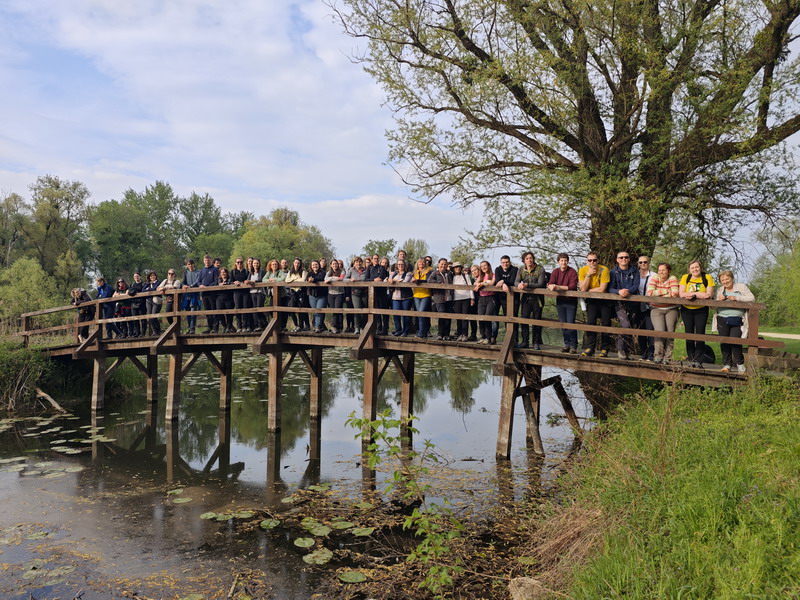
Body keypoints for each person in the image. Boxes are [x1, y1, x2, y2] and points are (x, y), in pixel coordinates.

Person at [713, 270, 754, 373]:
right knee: (724, 341)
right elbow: (712, 306)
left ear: (732, 278)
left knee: (735, 341)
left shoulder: (741, 287)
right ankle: (727, 364)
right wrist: (719, 300)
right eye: (722, 280)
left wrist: (737, 298)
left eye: (727, 279)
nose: (725, 281)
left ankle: (740, 364)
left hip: (737, 319)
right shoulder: (719, 290)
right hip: (722, 318)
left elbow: (752, 298)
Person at [679, 260, 715, 368]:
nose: (695, 269)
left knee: (700, 333)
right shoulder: (685, 277)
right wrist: (699, 294)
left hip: (701, 310)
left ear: (700, 267)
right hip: (686, 309)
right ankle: (691, 358)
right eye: (692, 268)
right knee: (689, 333)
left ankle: (698, 358)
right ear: (689, 270)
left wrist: (693, 294)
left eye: (697, 267)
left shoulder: (707, 277)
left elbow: (708, 295)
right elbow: (681, 294)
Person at [579, 252, 612, 357]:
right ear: (587, 261)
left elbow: (602, 289)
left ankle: (605, 348)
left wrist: (588, 290)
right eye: (590, 260)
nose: (592, 262)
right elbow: (582, 289)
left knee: (605, 323)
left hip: (604, 300)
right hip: (591, 300)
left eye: (594, 260)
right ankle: (590, 348)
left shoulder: (604, 269)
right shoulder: (583, 270)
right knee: (591, 323)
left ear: (598, 260)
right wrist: (588, 275)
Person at [646, 262, 680, 364]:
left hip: (671, 309)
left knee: (670, 332)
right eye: (659, 270)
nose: (661, 272)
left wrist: (658, 295)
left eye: (663, 270)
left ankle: (667, 357)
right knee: (659, 332)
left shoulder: (672, 278)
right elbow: (650, 293)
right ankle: (658, 355)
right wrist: (666, 292)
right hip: (656, 309)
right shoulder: (655, 278)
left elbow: (675, 293)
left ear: (668, 271)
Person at [608, 251, 640, 359]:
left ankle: (627, 351)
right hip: (619, 303)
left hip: (632, 302)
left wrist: (627, 291)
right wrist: (619, 291)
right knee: (625, 325)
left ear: (629, 259)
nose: (623, 259)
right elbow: (610, 288)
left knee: (631, 326)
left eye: (626, 257)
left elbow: (636, 285)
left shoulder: (635, 271)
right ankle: (620, 349)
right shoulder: (613, 272)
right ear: (617, 260)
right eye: (621, 257)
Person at [515, 251, 547, 349]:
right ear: (524, 260)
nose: (529, 260)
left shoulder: (540, 269)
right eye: (527, 258)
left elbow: (541, 284)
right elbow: (516, 281)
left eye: (531, 258)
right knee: (524, 319)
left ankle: (536, 342)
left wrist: (527, 285)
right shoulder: (521, 269)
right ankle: (525, 341)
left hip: (538, 299)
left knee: (537, 321)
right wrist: (519, 284)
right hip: (526, 299)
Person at [547, 253, 579, 353]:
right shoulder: (555, 271)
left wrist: (559, 287)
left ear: (567, 261)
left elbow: (572, 286)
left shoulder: (572, 271)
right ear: (558, 262)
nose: (563, 262)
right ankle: (567, 344)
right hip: (560, 301)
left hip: (571, 301)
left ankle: (573, 345)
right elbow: (550, 283)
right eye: (561, 260)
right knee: (563, 323)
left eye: (565, 260)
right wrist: (551, 286)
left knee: (570, 323)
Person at [634, 256, 656, 361]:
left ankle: (651, 353)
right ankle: (644, 353)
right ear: (638, 264)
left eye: (645, 262)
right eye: (641, 262)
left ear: (649, 262)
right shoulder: (634, 275)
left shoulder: (654, 276)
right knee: (641, 330)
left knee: (650, 330)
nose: (643, 264)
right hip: (638, 306)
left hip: (650, 306)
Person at [428, 257, 454, 340]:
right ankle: (440, 334)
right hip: (439, 298)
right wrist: (438, 283)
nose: (443, 266)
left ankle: (447, 334)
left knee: (448, 316)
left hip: (449, 297)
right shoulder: (435, 273)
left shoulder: (449, 273)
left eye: (445, 264)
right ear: (438, 264)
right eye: (442, 264)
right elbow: (429, 281)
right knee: (441, 316)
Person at [494, 255, 519, 340]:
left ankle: (515, 339)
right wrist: (503, 283)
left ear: (510, 262)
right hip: (502, 297)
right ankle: (507, 338)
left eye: (507, 262)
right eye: (503, 262)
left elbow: (513, 281)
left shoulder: (514, 269)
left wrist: (503, 281)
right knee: (505, 317)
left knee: (514, 318)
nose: (505, 264)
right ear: (501, 263)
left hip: (513, 297)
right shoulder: (498, 269)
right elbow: (497, 281)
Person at [474, 260, 498, 344]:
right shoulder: (481, 276)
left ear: (488, 266)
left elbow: (491, 283)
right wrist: (480, 283)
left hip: (490, 298)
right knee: (481, 317)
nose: (483, 267)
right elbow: (475, 283)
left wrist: (482, 284)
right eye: (482, 266)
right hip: (482, 298)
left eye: (485, 265)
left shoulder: (493, 275)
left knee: (487, 317)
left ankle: (488, 337)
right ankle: (483, 336)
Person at [365, 253, 389, 335]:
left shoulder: (381, 267)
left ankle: (385, 329)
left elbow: (381, 277)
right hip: (373, 292)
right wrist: (373, 279)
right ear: (372, 260)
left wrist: (376, 279)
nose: (376, 260)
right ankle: (378, 328)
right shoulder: (369, 268)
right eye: (374, 258)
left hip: (382, 292)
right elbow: (366, 279)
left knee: (384, 310)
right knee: (376, 311)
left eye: (377, 258)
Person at [195, 255, 220, 334]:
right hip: (204, 293)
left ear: (211, 261)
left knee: (213, 310)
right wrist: (200, 285)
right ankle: (210, 327)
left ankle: (215, 328)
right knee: (207, 310)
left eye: (208, 260)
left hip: (212, 293)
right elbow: (198, 281)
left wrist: (208, 287)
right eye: (205, 260)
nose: (207, 262)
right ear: (203, 261)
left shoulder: (214, 269)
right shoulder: (202, 270)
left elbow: (216, 281)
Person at [389, 259, 413, 336]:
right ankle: (398, 330)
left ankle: (405, 331)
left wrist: (394, 280)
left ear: (404, 265)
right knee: (396, 314)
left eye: (402, 264)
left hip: (406, 297)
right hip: (395, 297)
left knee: (405, 315)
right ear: (396, 265)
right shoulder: (394, 273)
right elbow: (388, 280)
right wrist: (393, 280)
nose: (400, 266)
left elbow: (405, 282)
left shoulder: (408, 274)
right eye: (399, 264)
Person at [286, 258, 310, 332]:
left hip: (301, 292)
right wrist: (295, 280)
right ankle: (296, 325)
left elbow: (303, 280)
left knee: (301, 309)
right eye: (295, 263)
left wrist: (293, 281)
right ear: (293, 263)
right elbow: (286, 280)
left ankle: (301, 326)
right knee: (291, 309)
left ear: (300, 264)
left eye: (298, 263)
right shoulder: (290, 272)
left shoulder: (303, 271)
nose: (297, 264)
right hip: (293, 292)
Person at [451, 262, 474, 342]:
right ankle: (459, 334)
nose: (457, 268)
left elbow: (470, 287)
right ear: (453, 269)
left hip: (466, 298)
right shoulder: (452, 277)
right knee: (458, 318)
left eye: (459, 267)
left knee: (465, 317)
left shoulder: (465, 276)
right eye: (456, 267)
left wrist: (472, 298)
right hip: (456, 299)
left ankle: (465, 335)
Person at [345, 256, 368, 333]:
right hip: (355, 292)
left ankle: (362, 327)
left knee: (364, 310)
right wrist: (350, 280)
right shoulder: (351, 270)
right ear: (354, 263)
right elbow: (344, 279)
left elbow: (369, 278)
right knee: (357, 310)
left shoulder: (365, 270)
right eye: (356, 262)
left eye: (359, 262)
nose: (358, 263)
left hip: (364, 292)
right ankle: (357, 327)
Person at [412, 257, 433, 338]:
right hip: (416, 294)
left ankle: (421, 332)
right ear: (417, 263)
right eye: (419, 262)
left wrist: (417, 281)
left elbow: (428, 281)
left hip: (425, 294)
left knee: (421, 312)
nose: (421, 263)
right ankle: (422, 332)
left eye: (423, 262)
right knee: (419, 314)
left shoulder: (429, 271)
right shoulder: (414, 272)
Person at [306, 259, 328, 333]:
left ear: (319, 265)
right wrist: (309, 279)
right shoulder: (309, 273)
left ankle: (318, 327)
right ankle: (317, 325)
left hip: (322, 295)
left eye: (316, 264)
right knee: (314, 311)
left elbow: (321, 278)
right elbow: (307, 279)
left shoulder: (323, 272)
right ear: (311, 266)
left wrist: (313, 279)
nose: (315, 266)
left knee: (319, 310)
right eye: (313, 265)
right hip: (312, 295)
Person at [231, 257, 252, 332]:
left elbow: (249, 279)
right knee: (238, 308)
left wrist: (247, 281)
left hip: (245, 292)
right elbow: (230, 281)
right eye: (238, 262)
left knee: (245, 308)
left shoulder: (246, 271)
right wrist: (234, 282)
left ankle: (245, 326)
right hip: (237, 292)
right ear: (235, 263)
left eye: (241, 262)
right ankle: (239, 326)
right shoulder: (233, 272)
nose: (239, 264)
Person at [265, 259, 287, 328]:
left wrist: (274, 280)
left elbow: (283, 278)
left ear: (278, 265)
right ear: (270, 266)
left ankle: (283, 326)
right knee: (271, 309)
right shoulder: (269, 273)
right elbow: (263, 280)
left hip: (282, 295)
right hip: (273, 295)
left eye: (276, 264)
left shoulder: (280, 271)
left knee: (282, 311)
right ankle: (276, 325)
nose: (274, 266)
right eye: (273, 264)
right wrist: (269, 280)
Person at [325, 259, 346, 333]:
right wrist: (334, 278)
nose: (335, 265)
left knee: (337, 309)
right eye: (333, 264)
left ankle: (334, 326)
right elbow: (325, 279)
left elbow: (341, 278)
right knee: (333, 310)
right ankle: (338, 327)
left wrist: (330, 279)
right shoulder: (328, 272)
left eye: (336, 264)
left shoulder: (342, 271)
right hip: (330, 293)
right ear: (331, 265)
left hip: (339, 293)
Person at [181, 259, 201, 334]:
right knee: (188, 311)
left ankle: (192, 328)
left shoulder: (198, 272)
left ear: (194, 264)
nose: (190, 265)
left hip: (195, 294)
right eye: (188, 264)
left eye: (191, 264)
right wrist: (184, 285)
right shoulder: (185, 272)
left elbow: (198, 281)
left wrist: (191, 286)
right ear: (187, 265)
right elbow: (183, 282)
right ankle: (189, 328)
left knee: (193, 311)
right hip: (187, 294)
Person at [248, 258, 267, 331]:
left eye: (257, 263)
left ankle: (264, 323)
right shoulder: (251, 272)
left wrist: (254, 281)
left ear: (259, 264)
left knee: (259, 308)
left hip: (260, 292)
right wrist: (247, 281)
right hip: (252, 292)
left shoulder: (261, 271)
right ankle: (261, 325)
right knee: (255, 309)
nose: (256, 265)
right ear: (252, 264)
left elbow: (261, 280)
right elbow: (248, 279)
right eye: (254, 263)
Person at [215, 267, 236, 333]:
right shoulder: (218, 280)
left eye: (224, 272)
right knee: (219, 312)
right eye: (221, 272)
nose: (223, 273)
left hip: (229, 298)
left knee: (229, 314)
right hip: (220, 298)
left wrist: (226, 284)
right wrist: (219, 285)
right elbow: (214, 286)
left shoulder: (230, 279)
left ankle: (228, 327)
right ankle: (224, 325)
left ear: (227, 273)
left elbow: (232, 284)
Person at [142, 271, 162, 335]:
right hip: (148, 301)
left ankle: (158, 330)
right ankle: (154, 331)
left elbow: (155, 289)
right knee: (150, 316)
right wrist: (149, 288)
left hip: (156, 301)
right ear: (149, 277)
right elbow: (143, 290)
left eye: (153, 275)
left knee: (154, 316)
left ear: (156, 276)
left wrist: (148, 289)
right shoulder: (147, 283)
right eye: (151, 276)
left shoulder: (158, 282)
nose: (152, 277)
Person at [128, 272, 145, 337]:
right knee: (135, 319)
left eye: (137, 276)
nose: (136, 277)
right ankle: (137, 332)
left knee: (143, 319)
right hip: (133, 303)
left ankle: (143, 333)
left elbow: (144, 292)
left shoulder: (143, 284)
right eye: (135, 276)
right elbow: (129, 292)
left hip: (142, 303)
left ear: (140, 276)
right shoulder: (132, 284)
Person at [467, 265, 480, 341]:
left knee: (482, 317)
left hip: (482, 299)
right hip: (473, 299)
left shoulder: (483, 278)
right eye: (472, 271)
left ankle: (485, 335)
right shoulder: (471, 280)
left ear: (479, 270)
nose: (474, 272)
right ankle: (473, 334)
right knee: (472, 317)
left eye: (475, 270)